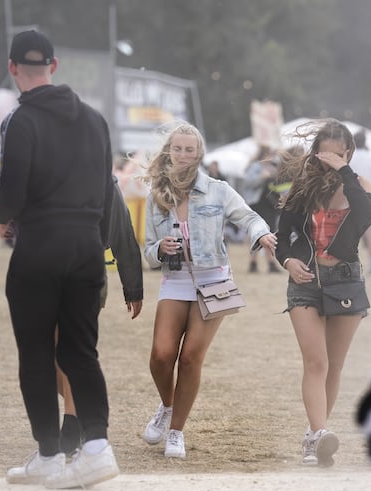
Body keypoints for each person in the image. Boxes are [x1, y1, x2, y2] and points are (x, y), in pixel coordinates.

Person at [0, 30, 119, 488]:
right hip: (86, 244)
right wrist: (95, 238)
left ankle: (49, 455)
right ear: (55, 65)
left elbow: (11, 193)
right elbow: (108, 191)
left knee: (36, 353)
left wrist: (2, 218)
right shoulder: (94, 119)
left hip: (41, 245)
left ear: (12, 68)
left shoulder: (21, 121)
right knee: (81, 350)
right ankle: (96, 448)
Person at [141, 122, 276, 459]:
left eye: (190, 149)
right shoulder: (156, 195)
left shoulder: (217, 189)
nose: (184, 155)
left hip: (214, 282)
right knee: (160, 356)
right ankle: (167, 406)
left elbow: (248, 217)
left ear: (199, 153)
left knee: (189, 359)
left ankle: (176, 431)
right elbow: (146, 251)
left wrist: (261, 234)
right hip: (175, 281)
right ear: (169, 152)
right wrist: (160, 248)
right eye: (178, 149)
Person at [274, 119, 371, 466]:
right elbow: (283, 235)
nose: (331, 159)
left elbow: (364, 216)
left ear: (348, 152)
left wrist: (345, 172)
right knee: (315, 361)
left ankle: (313, 436)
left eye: (339, 152)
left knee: (334, 365)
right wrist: (287, 260)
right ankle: (319, 434)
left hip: (345, 279)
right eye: (326, 152)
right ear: (316, 152)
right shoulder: (302, 188)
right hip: (305, 281)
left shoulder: (360, 185)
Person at [57, 174, 144, 456]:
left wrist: (133, 288)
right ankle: (81, 413)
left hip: (87, 271)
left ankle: (71, 426)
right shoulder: (44, 166)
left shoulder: (105, 178)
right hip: (46, 267)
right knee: (47, 357)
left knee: (72, 350)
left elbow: (122, 231)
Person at [348, 129, 371, 274]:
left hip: (351, 197)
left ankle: (350, 264)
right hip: (370, 196)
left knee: (349, 232)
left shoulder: (350, 157)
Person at [241, 145, 281, 273]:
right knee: (256, 233)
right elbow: (248, 183)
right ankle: (253, 263)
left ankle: (271, 263)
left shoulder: (273, 167)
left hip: (270, 205)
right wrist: (261, 177)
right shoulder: (255, 166)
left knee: (270, 233)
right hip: (257, 203)